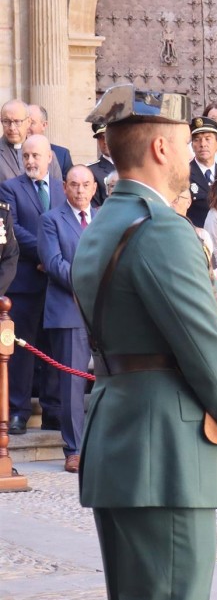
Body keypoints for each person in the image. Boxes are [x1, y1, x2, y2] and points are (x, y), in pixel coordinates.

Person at [73, 84, 217, 600]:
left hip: (124, 438)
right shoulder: (161, 230)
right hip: (168, 454)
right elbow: (205, 348)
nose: (192, 155)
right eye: (187, 142)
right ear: (161, 146)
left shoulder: (108, 221)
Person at [1, 133, 64, 434]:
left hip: (56, 283)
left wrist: (52, 260)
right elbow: (14, 231)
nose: (30, 161)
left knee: (52, 348)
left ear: (49, 157)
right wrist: (47, 253)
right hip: (25, 282)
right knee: (23, 350)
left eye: (36, 156)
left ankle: (53, 410)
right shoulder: (9, 188)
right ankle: (18, 411)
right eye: (26, 156)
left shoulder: (63, 190)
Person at [38, 166, 96, 473]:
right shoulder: (51, 220)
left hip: (104, 311)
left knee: (112, 379)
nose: (79, 190)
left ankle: (103, 444)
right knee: (72, 383)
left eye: (85, 184)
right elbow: (53, 262)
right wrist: (87, 283)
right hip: (68, 309)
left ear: (94, 187)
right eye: (73, 185)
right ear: (64, 187)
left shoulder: (104, 218)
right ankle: (74, 448)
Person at [1, 99, 62, 184]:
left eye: (17, 121)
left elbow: (56, 190)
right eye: (6, 122)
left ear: (28, 122)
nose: (12, 128)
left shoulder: (48, 154)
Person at [187, 115, 217, 227]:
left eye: (208, 138)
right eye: (197, 139)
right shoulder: (184, 173)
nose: (203, 144)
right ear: (192, 145)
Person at [28, 104, 74, 181]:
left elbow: (69, 187)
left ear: (44, 125)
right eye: (25, 122)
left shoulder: (62, 155)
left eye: (32, 123)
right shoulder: (15, 152)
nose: (27, 127)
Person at [87, 122, 116, 206]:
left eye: (108, 136)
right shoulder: (91, 171)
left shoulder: (132, 167)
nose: (105, 141)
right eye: (101, 137)